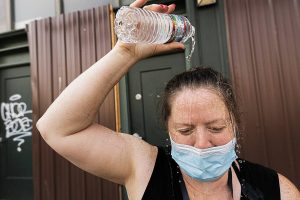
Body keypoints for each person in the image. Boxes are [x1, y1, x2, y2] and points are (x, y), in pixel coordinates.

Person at [36, 0, 300, 199]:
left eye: (216, 128)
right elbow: (57, 129)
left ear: (235, 124)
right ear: (169, 130)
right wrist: (124, 54)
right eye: (185, 130)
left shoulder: (276, 190)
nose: (201, 144)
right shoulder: (144, 167)